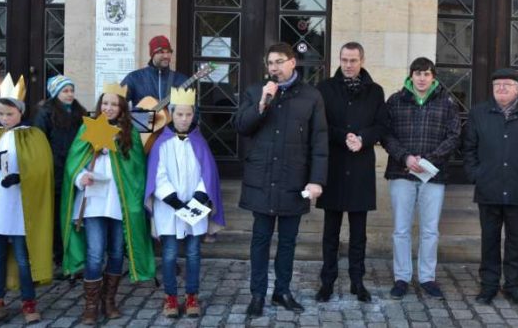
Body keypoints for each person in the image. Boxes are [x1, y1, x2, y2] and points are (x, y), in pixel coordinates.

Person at [235, 42, 328, 317]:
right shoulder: (256, 92)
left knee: (288, 241)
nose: (273, 67)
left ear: (292, 62)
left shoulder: (311, 96)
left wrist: (316, 180)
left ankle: (282, 291)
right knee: (260, 240)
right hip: (261, 180)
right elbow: (241, 126)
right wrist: (262, 103)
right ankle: (257, 294)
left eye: (278, 61)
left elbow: (319, 142)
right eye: (270, 63)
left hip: (293, 181)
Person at [61, 83, 155, 325]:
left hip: (118, 204)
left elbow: (135, 169)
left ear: (122, 108)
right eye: (105, 103)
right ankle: (91, 305)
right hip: (94, 203)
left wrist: (113, 151)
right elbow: (74, 162)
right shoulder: (88, 127)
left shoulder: (130, 133)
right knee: (94, 253)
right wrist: (83, 176)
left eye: (114, 104)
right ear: (99, 105)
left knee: (115, 252)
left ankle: (109, 300)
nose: (109, 108)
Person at [463, 68, 518, 307]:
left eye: (507, 85)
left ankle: (513, 286)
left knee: (515, 240)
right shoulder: (479, 113)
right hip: (488, 187)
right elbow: (468, 148)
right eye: (497, 85)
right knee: (489, 239)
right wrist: (476, 175)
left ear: (517, 88)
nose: (501, 88)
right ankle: (489, 285)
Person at [0, 74, 54, 323]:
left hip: (21, 208)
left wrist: (21, 177)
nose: (5, 118)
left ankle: (29, 302)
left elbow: (42, 171)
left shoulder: (33, 136)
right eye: (0, 113)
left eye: (9, 114)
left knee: (23, 257)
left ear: (19, 112)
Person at [314, 42, 387, 303]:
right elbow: (320, 125)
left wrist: (364, 138)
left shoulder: (375, 91)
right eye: (344, 59)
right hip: (333, 167)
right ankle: (327, 282)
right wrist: (344, 136)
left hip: (359, 169)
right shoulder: (324, 88)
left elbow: (381, 125)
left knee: (359, 234)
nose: (348, 65)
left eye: (353, 60)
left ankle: (358, 281)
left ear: (362, 60)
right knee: (330, 233)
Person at [382, 57, 460, 300]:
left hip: (432, 175)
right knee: (401, 230)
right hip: (401, 172)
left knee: (429, 230)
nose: (422, 78)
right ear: (411, 76)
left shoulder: (446, 103)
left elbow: (454, 135)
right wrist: (405, 157)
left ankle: (427, 277)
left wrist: (429, 160)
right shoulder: (395, 101)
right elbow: (386, 134)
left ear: (433, 77)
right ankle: (402, 277)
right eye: (418, 74)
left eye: (426, 74)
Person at [145, 87, 225, 318]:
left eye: (188, 115)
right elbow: (157, 175)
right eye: (179, 114)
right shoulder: (162, 143)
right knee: (169, 254)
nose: (184, 119)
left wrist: (200, 195)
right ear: (171, 114)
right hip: (169, 209)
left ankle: (192, 296)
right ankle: (170, 297)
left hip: (194, 209)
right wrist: (173, 200)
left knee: (193, 254)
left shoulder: (199, 142)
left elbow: (206, 172)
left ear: (194, 115)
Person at [33, 75, 88, 271]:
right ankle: (60, 254)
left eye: (72, 90)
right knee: (58, 215)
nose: (70, 94)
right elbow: (39, 142)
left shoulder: (79, 112)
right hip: (55, 170)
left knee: (74, 213)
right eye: (65, 91)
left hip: (73, 169)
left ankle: (75, 252)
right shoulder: (45, 113)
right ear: (56, 93)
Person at [121, 35, 189, 107]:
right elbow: (117, 103)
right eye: (161, 52)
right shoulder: (134, 78)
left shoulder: (181, 80)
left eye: (169, 52)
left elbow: (192, 111)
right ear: (152, 55)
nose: (166, 56)